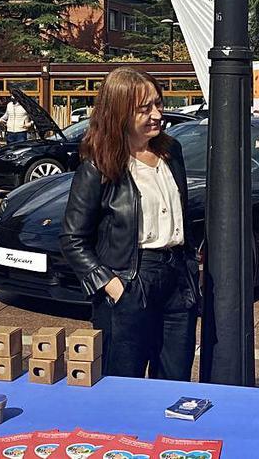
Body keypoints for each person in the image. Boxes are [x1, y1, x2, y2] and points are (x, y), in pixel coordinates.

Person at [60, 67, 198, 380]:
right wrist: (111, 285)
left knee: (174, 379)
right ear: (119, 112)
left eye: (158, 104)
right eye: (144, 108)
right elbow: (72, 238)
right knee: (124, 381)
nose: (156, 114)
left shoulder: (170, 151)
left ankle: (166, 431)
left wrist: (191, 267)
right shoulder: (99, 164)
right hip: (131, 279)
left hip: (176, 279)